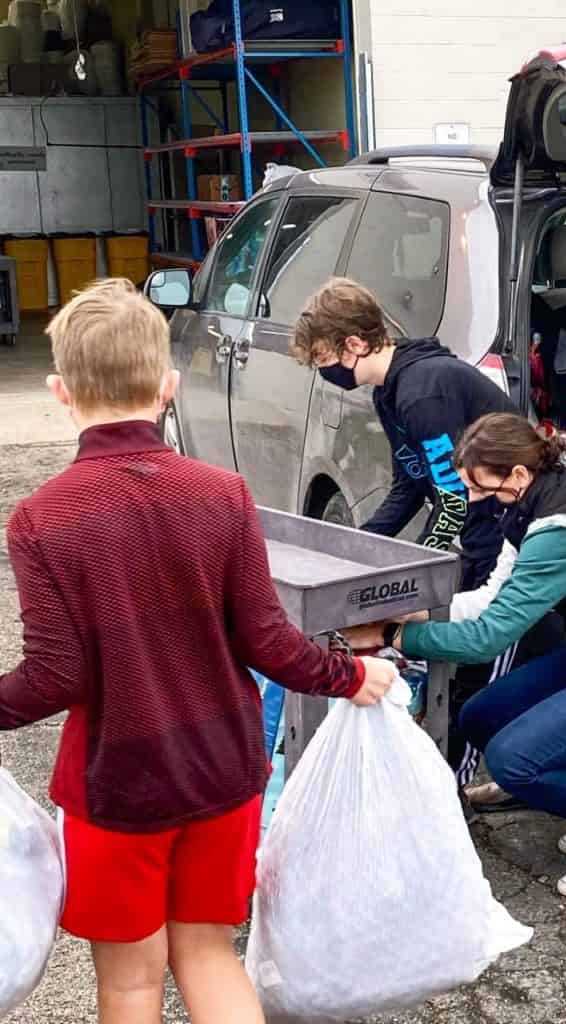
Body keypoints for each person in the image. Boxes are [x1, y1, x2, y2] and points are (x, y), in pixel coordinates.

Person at [0, 279, 395, 1024]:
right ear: (168, 386)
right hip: (225, 774)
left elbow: (55, 677)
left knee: (128, 986)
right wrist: (352, 675)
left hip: (119, 790)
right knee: (209, 955)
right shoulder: (223, 494)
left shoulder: (42, 519)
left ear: (59, 391)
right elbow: (270, 643)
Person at [345, 412, 566, 899]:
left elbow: (486, 638)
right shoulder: (531, 503)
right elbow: (493, 599)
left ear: (517, 474)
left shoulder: (563, 529)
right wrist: (416, 617)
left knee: (514, 761)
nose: (473, 500)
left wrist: (392, 635)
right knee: (479, 717)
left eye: (483, 488)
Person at [291, 277, 523, 786]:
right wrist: (362, 550)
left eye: (321, 359)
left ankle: (448, 785)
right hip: (473, 530)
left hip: (503, 535)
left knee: (472, 666)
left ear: (353, 344)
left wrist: (422, 568)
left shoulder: (423, 393)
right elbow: (412, 484)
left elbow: (458, 495)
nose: (322, 372)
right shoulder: (391, 394)